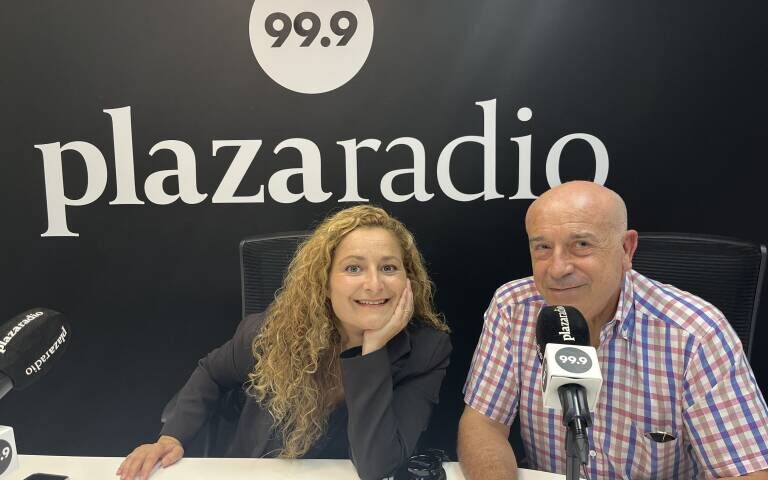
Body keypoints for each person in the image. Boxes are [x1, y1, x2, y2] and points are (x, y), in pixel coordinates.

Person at [458, 181, 768, 479]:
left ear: (626, 249)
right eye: (543, 247)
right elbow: (483, 425)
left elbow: (749, 472)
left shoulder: (695, 334)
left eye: (581, 245)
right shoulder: (513, 308)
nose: (557, 268)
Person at [117, 205, 451, 480]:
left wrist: (372, 349)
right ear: (325, 282)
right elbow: (212, 373)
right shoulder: (273, 331)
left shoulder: (426, 352)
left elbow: (376, 465)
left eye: (389, 268)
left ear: (407, 280)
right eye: (353, 268)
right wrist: (171, 437)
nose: (374, 284)